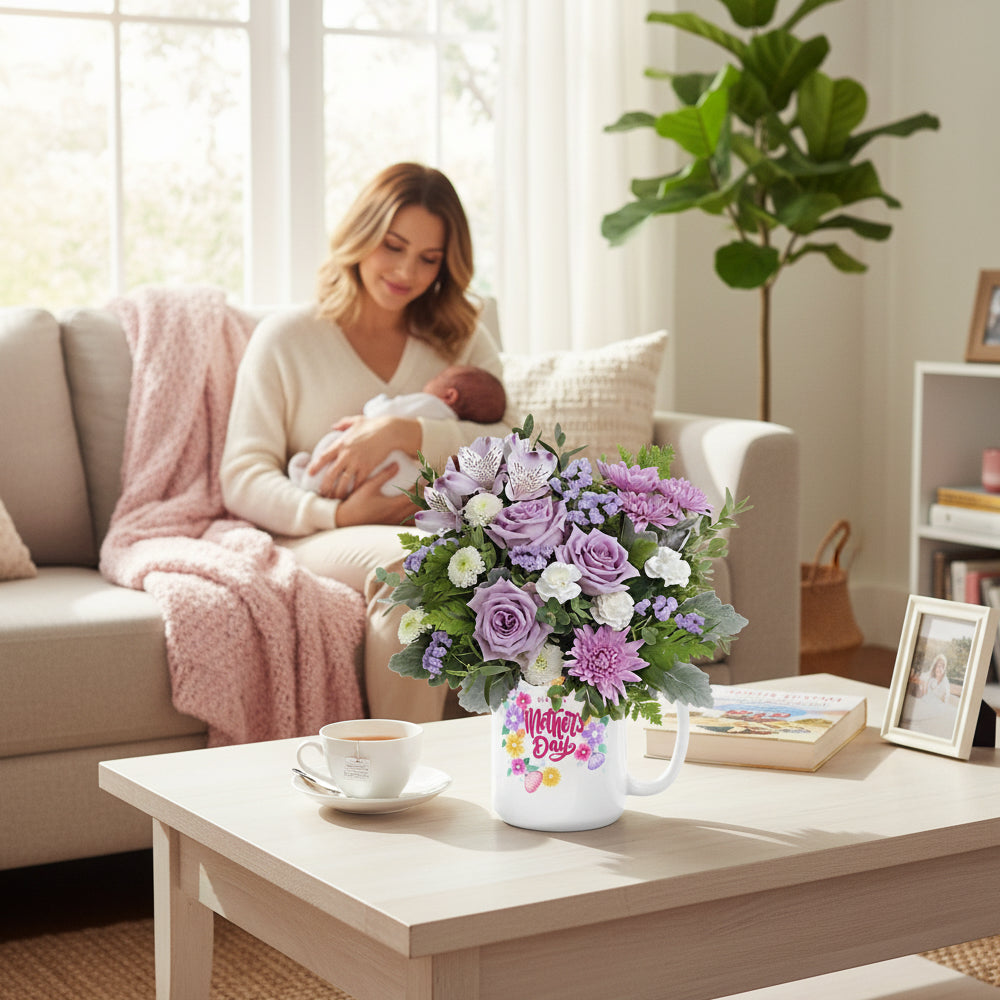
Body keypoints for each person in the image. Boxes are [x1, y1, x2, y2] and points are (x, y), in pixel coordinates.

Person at [221, 162, 512, 722]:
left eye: (429, 259)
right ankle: (401, 782)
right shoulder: (287, 338)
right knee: (412, 569)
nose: (406, 270)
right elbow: (243, 473)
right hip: (318, 533)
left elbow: (513, 448)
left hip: (439, 529)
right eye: (393, 245)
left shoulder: (460, 336)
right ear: (361, 235)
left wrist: (406, 433)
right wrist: (336, 512)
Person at [287, 364, 507, 497]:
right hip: (399, 484)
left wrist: (375, 407)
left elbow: (383, 412)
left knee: (336, 441)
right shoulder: (455, 425)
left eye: (434, 380)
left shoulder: (430, 404)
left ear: (449, 396)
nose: (425, 386)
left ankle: (307, 476)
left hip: (371, 466)